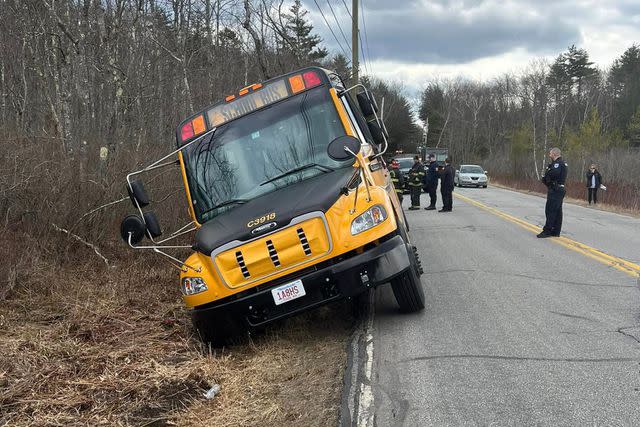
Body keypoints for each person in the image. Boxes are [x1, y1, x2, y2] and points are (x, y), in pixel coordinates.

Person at [538, 147, 568, 238]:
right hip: (559, 189)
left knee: (550, 210)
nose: (549, 155)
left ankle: (547, 231)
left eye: (550, 153)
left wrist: (547, 176)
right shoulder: (562, 163)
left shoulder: (558, 164)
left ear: (555, 154)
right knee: (557, 211)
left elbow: (553, 174)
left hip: (556, 189)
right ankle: (555, 231)